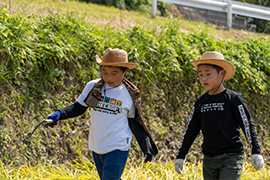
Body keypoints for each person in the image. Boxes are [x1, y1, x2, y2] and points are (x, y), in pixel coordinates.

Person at [47, 48, 158, 180]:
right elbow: (78, 108)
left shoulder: (129, 94)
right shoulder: (93, 87)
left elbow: (134, 122)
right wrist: (59, 114)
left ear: (125, 71)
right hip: (97, 145)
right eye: (104, 72)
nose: (108, 77)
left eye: (114, 73)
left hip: (118, 146)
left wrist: (146, 147)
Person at [175, 51, 264, 180]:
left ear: (221, 73)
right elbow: (191, 130)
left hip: (231, 157)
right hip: (209, 159)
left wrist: (256, 151)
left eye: (208, 74)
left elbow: (247, 125)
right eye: (200, 75)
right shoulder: (201, 102)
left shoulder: (233, 99)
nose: (204, 78)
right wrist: (181, 155)